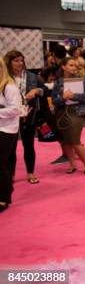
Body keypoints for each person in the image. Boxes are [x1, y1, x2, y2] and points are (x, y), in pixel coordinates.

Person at [4, 50, 46, 184]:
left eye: (21, 60)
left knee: (29, 145)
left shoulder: (32, 76)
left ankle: (30, 172)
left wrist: (36, 91)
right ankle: (10, 174)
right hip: (10, 117)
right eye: (16, 60)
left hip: (29, 115)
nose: (20, 63)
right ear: (8, 62)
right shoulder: (4, 78)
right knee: (10, 148)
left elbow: (44, 90)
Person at [52, 57, 85, 175]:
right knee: (65, 142)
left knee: (75, 141)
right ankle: (72, 164)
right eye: (71, 65)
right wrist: (63, 98)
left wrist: (73, 96)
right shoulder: (58, 82)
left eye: (75, 65)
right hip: (61, 114)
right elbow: (54, 100)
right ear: (63, 67)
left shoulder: (82, 80)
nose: (74, 67)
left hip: (77, 113)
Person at [0, 59, 28, 212]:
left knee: (1, 164)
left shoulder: (9, 87)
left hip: (7, 129)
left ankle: (4, 198)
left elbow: (16, 109)